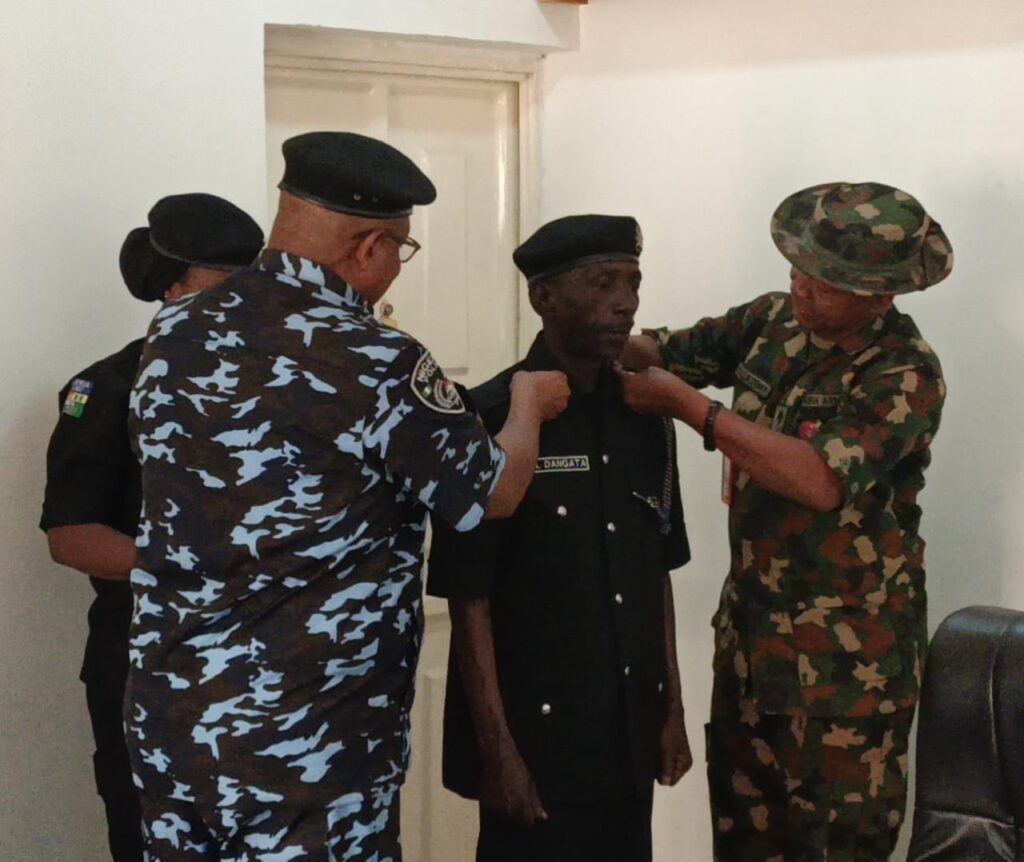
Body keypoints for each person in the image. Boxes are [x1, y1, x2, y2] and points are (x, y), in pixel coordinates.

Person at [126, 131, 570, 861]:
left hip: (175, 721)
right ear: (369, 247)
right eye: (402, 249)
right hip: (306, 746)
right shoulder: (373, 358)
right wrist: (527, 404)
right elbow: (492, 491)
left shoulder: (176, 329)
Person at [617, 181, 953, 861]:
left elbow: (819, 479)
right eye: (799, 270)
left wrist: (694, 410)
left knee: (835, 850)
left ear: (880, 296)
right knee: (743, 844)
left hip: (845, 681)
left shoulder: (904, 371)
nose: (802, 289)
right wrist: (592, 337)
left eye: (826, 284)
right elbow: (662, 352)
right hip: (753, 652)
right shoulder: (771, 321)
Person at [428, 214, 693, 862]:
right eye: (603, 283)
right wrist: (497, 750)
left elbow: (656, 568)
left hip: (626, 732)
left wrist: (672, 708)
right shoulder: (491, 415)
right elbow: (469, 597)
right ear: (543, 296)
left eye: (633, 282)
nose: (626, 302)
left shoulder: (646, 418)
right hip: (538, 740)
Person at [40, 193, 265, 861]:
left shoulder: (281, 383)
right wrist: (191, 572)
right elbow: (71, 535)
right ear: (172, 287)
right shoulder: (105, 388)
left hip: (266, 668)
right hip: (152, 666)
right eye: (226, 284)